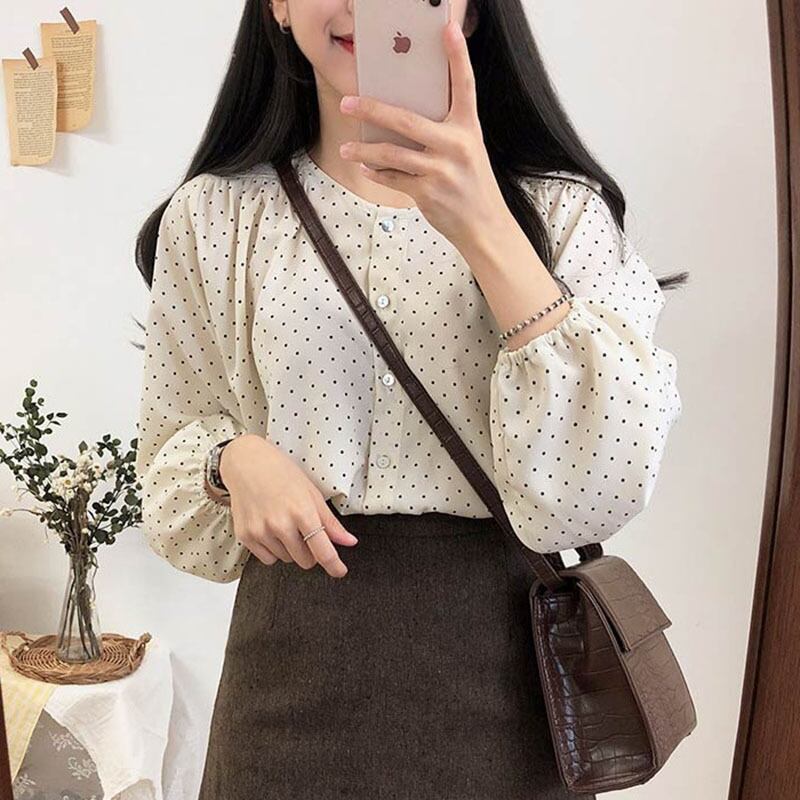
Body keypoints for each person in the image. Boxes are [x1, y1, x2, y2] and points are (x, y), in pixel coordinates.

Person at [133, 0, 686, 796]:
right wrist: (232, 461)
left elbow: (595, 493)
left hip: (510, 680)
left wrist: (485, 221)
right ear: (279, 5)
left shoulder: (562, 213)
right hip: (287, 676)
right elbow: (168, 464)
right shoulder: (217, 215)